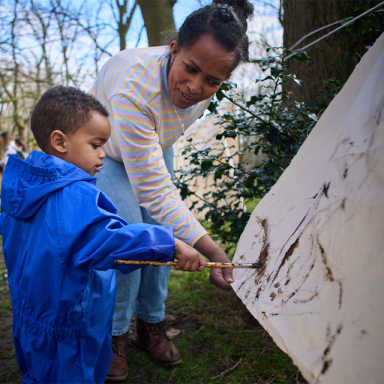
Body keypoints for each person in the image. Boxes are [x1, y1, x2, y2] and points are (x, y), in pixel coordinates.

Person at [89, 0, 255, 380]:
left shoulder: (202, 80)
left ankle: (151, 322)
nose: (196, 87)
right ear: (174, 49)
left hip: (152, 144)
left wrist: (183, 238)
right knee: (131, 236)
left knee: (163, 234)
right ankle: (113, 334)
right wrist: (211, 249)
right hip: (111, 150)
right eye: (191, 69)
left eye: (212, 81)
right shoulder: (134, 90)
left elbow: (159, 188)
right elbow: (157, 195)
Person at [0, 85, 206, 384]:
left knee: (39, 372)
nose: (102, 155)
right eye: (96, 144)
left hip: (30, 315)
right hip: (69, 321)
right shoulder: (75, 197)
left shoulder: (22, 188)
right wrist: (169, 243)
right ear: (60, 141)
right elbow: (112, 241)